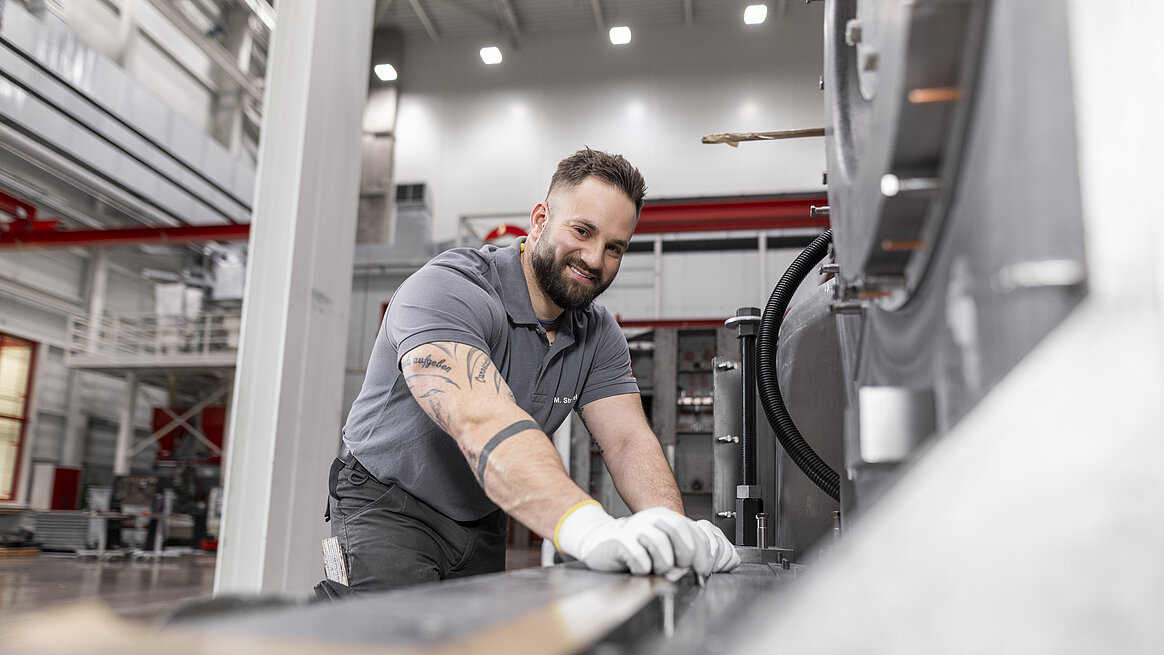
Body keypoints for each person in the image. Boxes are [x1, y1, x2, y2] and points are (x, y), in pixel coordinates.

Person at [324, 148, 739, 594]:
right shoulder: (450, 288)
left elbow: (627, 442)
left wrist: (672, 532)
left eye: (614, 247)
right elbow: (480, 418)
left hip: (482, 512)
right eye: (583, 231)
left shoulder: (597, 333)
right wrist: (589, 528)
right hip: (388, 503)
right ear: (540, 219)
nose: (595, 260)